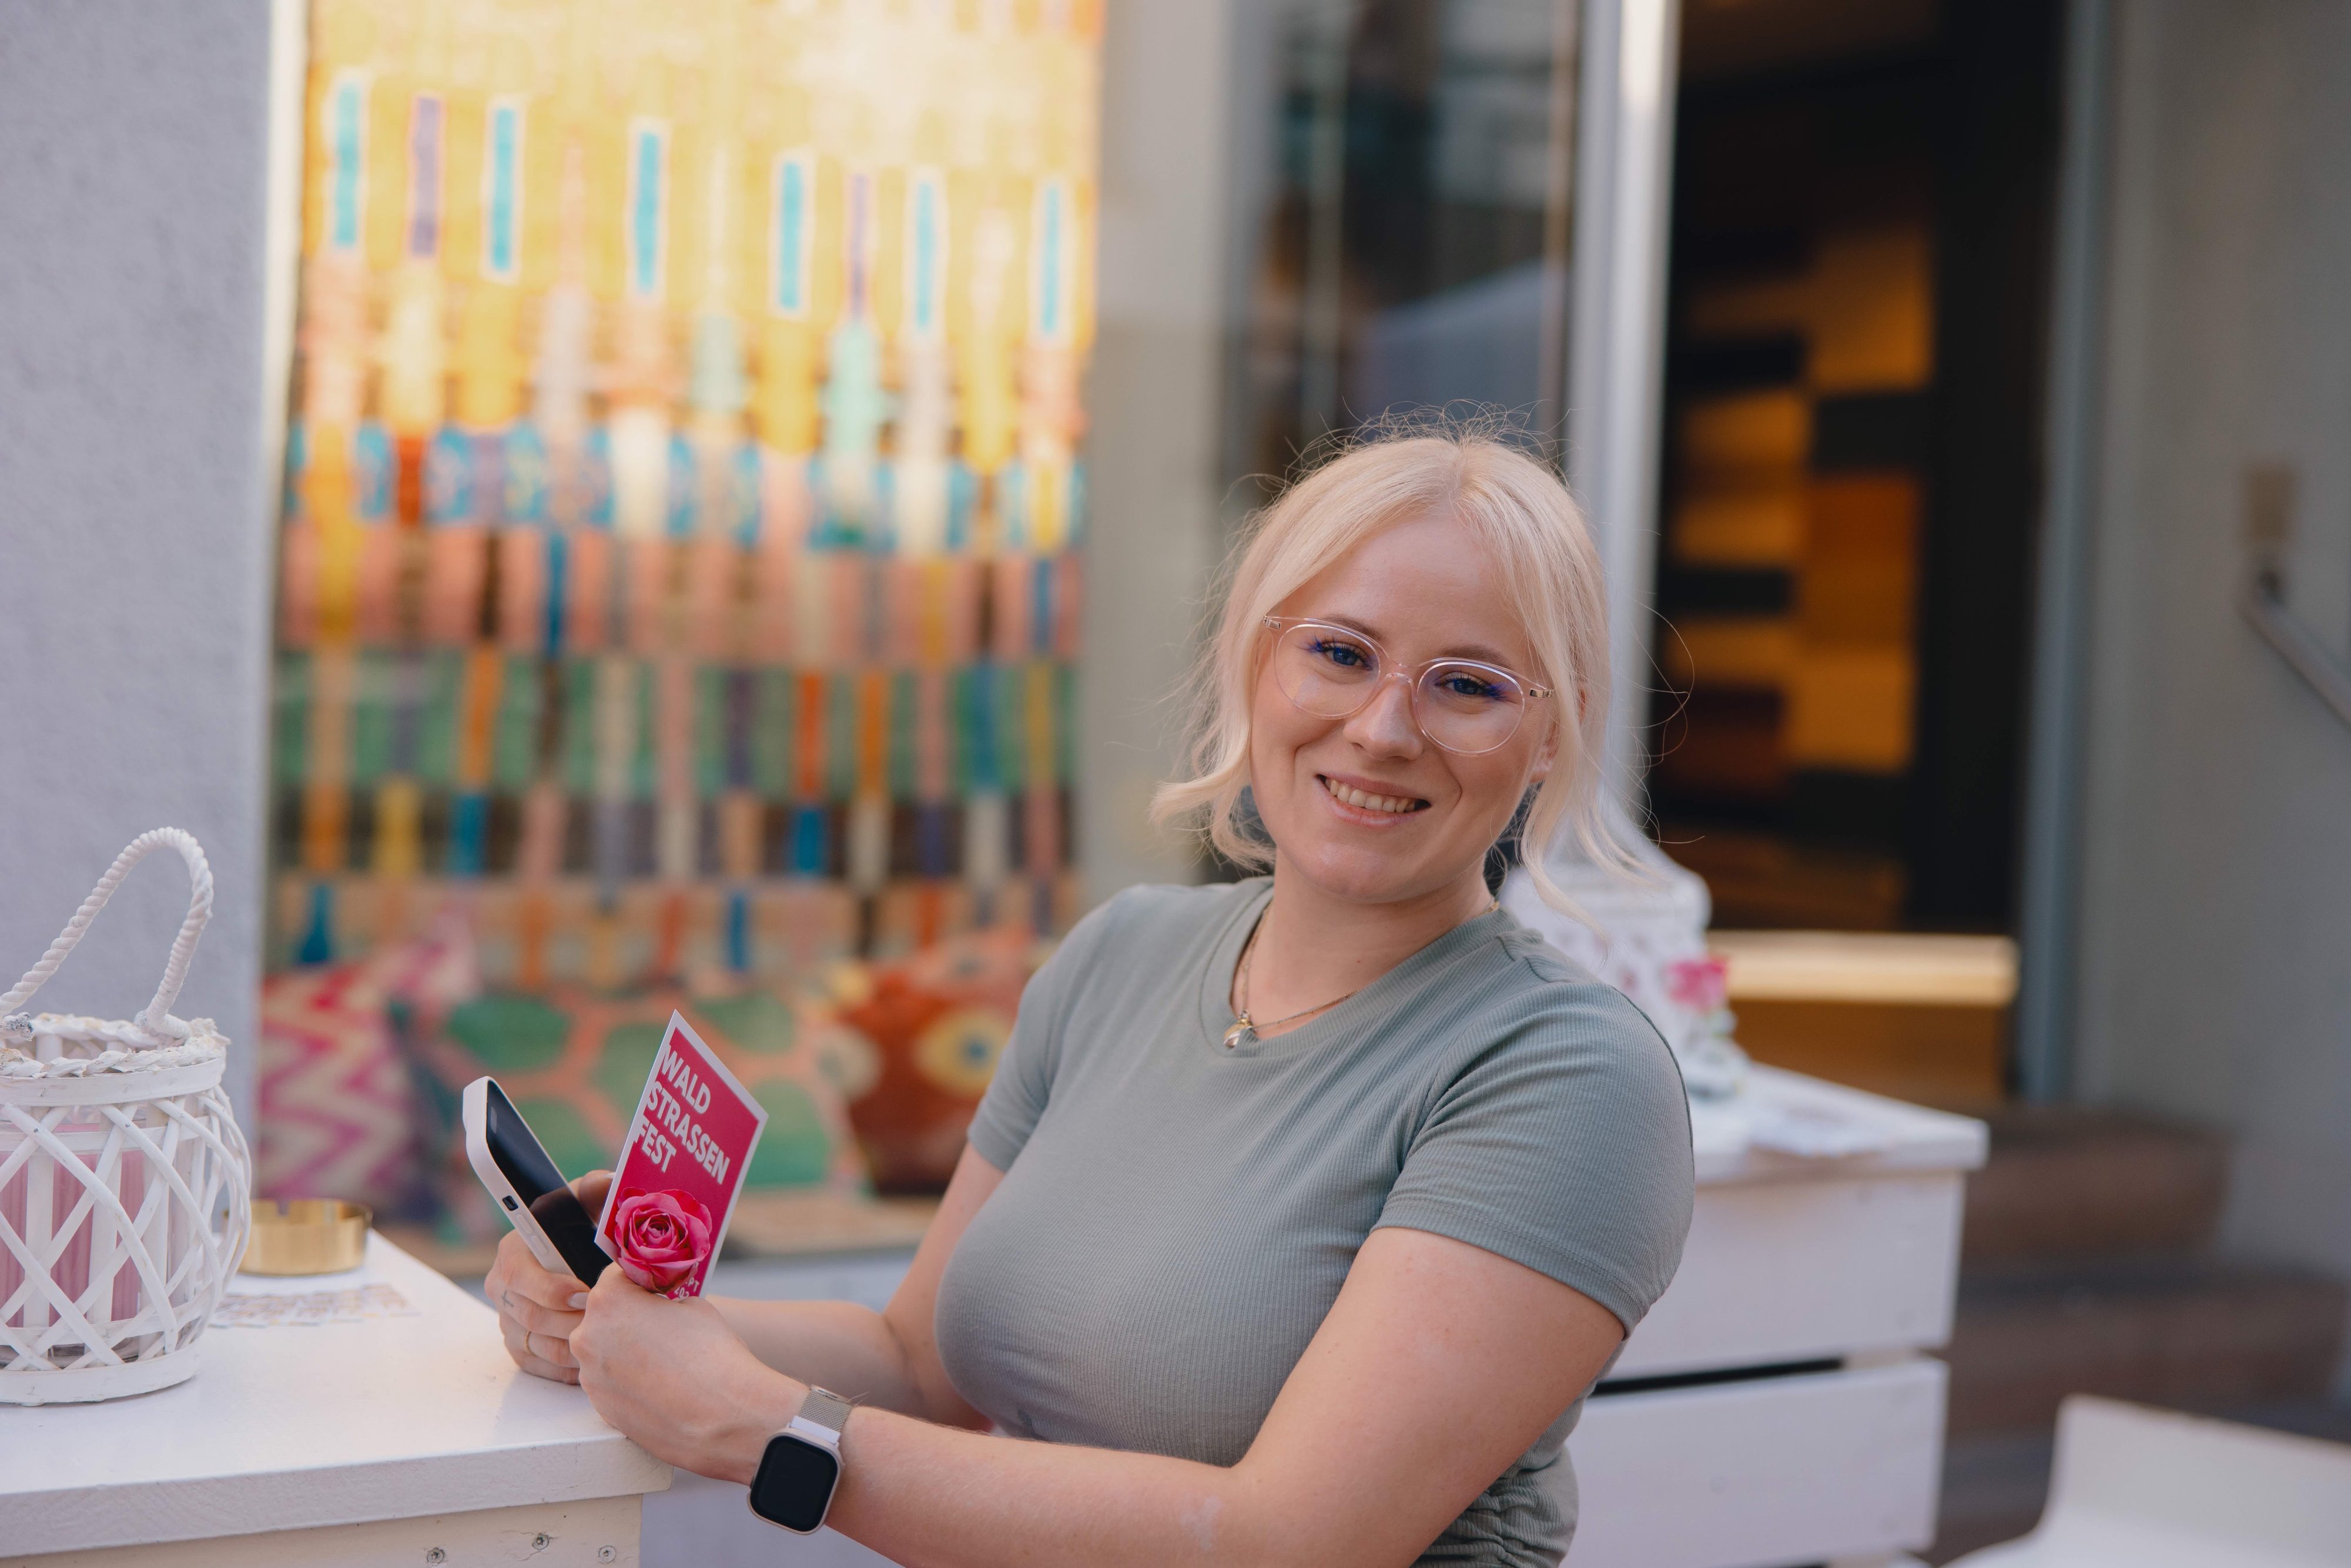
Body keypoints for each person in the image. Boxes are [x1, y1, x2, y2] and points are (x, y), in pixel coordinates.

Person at [487, 427, 1695, 1566]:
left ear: (1552, 733)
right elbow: (916, 1361)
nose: (1381, 727)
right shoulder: (1123, 953)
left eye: (1466, 685)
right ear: (1255, 661)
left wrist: (766, 1431)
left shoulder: (1566, 1077)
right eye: (1338, 652)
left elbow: (1287, 1543)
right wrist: (626, 1321)